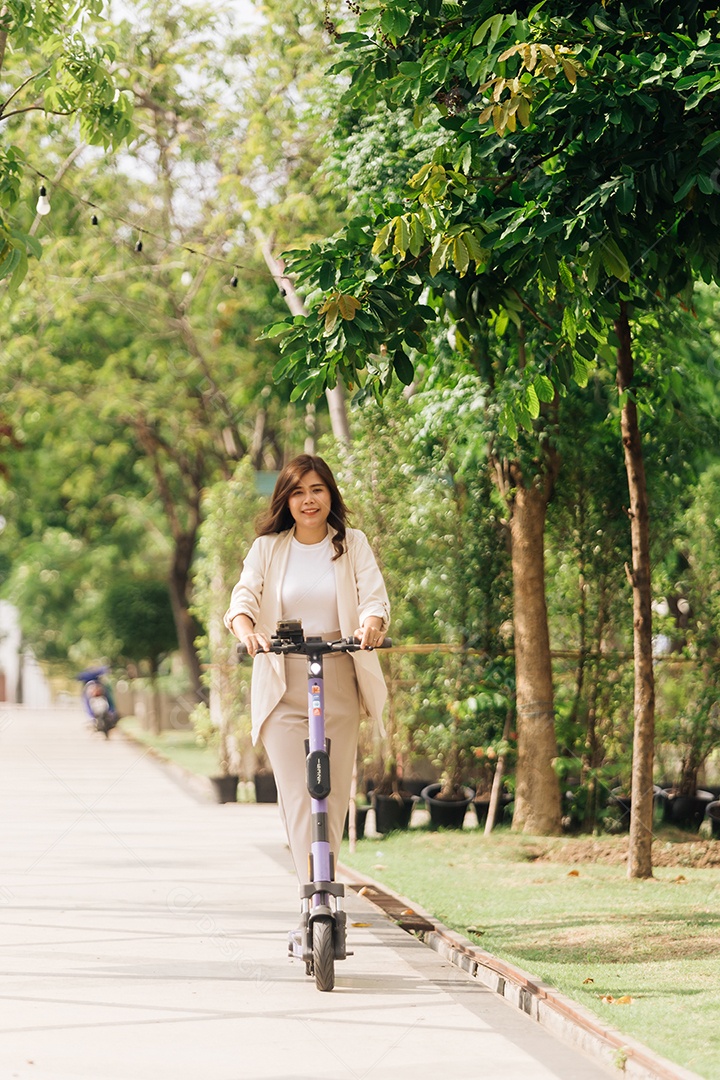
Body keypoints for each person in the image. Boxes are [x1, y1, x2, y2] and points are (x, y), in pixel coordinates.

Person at [224, 454, 389, 889]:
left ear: (330, 494)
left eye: (317, 490)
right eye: (298, 492)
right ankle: (311, 893)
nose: (308, 500)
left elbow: (373, 597)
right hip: (284, 680)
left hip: (338, 674)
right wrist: (247, 631)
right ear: (286, 500)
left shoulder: (352, 543)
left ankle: (326, 886)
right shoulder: (268, 548)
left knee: (331, 795)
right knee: (299, 796)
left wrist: (371, 625)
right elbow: (243, 599)